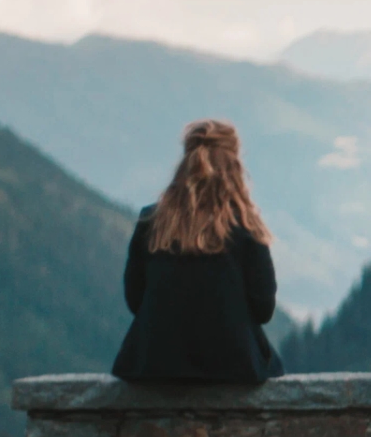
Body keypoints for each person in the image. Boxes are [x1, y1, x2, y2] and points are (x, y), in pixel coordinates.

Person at [112, 119, 284, 382]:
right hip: (234, 367)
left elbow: (135, 300)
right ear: (235, 165)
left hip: (155, 366)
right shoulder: (246, 227)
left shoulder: (151, 221)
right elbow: (263, 309)